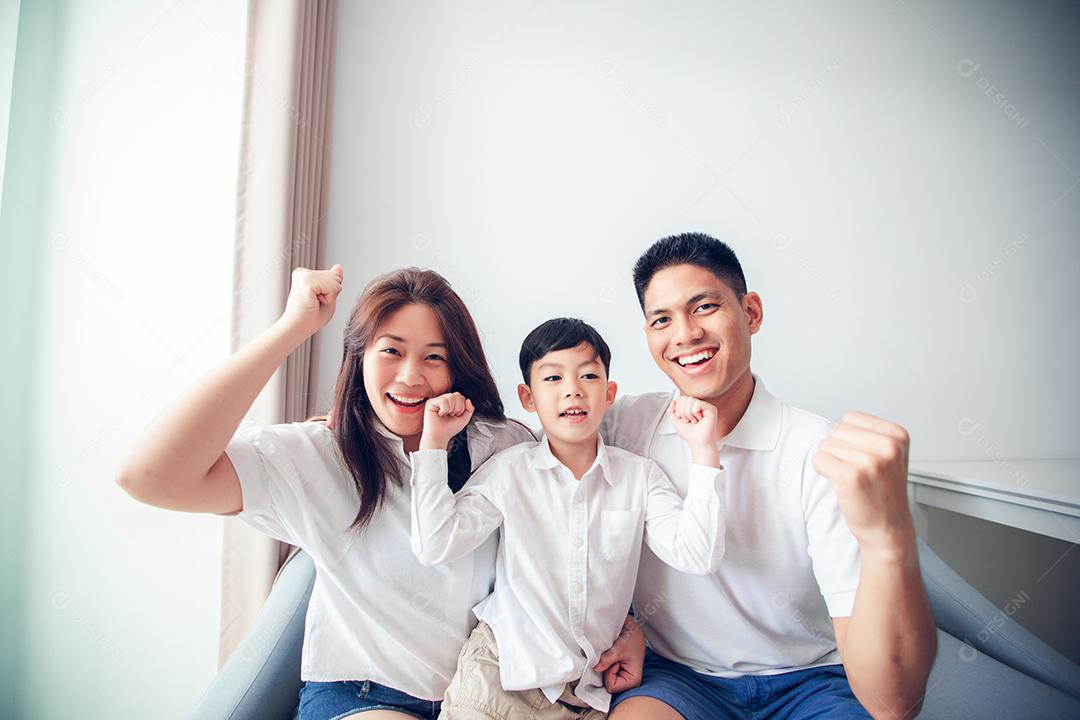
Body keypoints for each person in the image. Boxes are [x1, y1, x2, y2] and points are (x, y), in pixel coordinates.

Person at [118, 265, 539, 720]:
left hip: (488, 698)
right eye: (391, 351)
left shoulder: (502, 446)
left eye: (434, 357)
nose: (411, 376)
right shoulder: (320, 454)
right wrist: (291, 328)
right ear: (359, 359)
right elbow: (148, 475)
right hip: (365, 697)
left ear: (458, 368)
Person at [596, 233, 937, 720]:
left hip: (809, 681)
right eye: (662, 320)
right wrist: (625, 624)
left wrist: (891, 535)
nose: (685, 334)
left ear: (750, 313)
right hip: (677, 677)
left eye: (705, 306)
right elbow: (537, 476)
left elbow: (894, 704)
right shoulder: (624, 426)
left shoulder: (817, 452)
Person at [407, 318, 727, 718]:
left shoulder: (639, 478)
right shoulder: (510, 471)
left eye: (588, 375)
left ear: (609, 393)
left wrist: (703, 451)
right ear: (528, 397)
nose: (573, 389)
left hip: (584, 693)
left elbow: (697, 556)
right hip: (500, 675)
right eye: (553, 378)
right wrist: (434, 443)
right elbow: (435, 544)